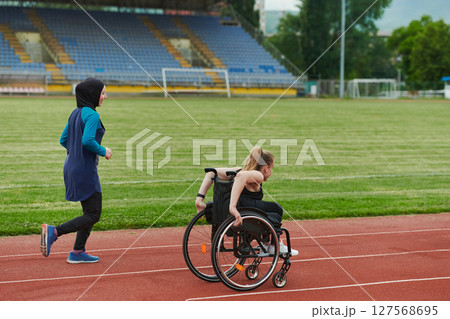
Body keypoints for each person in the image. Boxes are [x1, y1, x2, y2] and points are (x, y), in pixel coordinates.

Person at [40, 77, 112, 264]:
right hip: (84, 170)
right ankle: (55, 231)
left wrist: (76, 155)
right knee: (94, 214)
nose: (105, 96)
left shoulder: (75, 113)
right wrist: (104, 151)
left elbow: (64, 140)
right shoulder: (92, 116)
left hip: (71, 166)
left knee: (89, 212)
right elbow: (87, 141)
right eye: (103, 93)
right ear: (92, 94)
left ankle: (78, 252)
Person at [195, 147, 298, 256]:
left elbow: (211, 173)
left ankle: (265, 244)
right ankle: (272, 245)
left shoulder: (240, 170)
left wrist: (199, 199)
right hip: (243, 210)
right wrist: (232, 207)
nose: (271, 171)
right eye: (272, 168)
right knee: (277, 208)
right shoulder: (258, 175)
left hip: (235, 209)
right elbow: (241, 177)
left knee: (269, 208)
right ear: (266, 167)